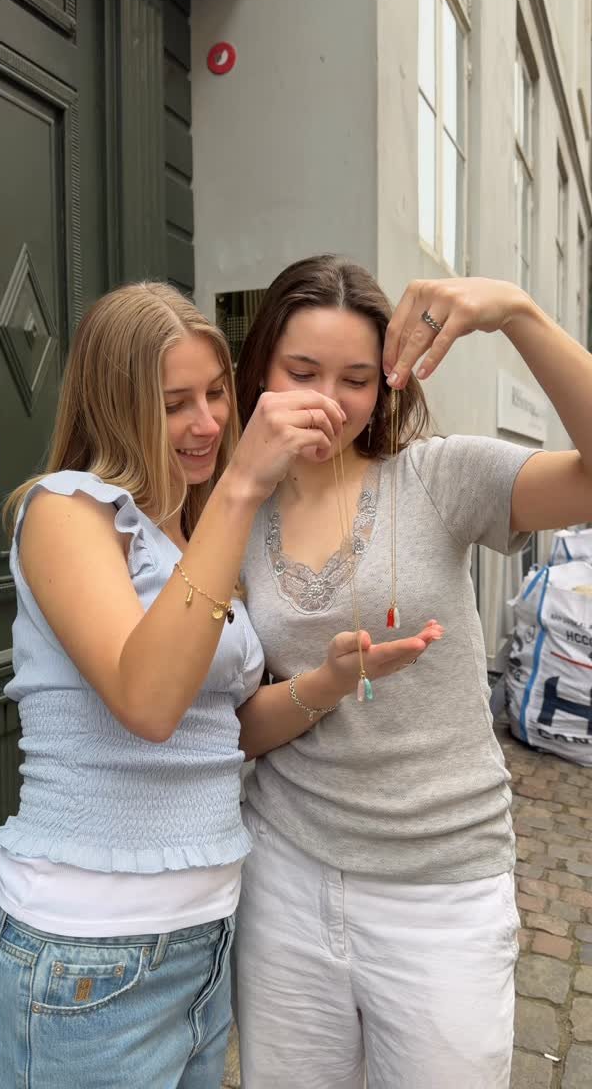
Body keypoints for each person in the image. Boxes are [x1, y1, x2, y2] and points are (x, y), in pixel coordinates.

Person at [0, 280, 364, 1089]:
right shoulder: (66, 511)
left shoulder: (190, 534)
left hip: (201, 947)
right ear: (115, 407)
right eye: (174, 403)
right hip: (81, 961)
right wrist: (243, 487)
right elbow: (147, 702)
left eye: (216, 393)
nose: (208, 422)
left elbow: (221, 732)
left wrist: (329, 680)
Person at [232, 255, 592, 1089]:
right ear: (260, 370)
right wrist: (321, 688)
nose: (330, 400)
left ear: (388, 381)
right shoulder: (233, 507)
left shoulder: (435, 476)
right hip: (286, 872)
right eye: (302, 372)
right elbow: (235, 721)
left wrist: (517, 313)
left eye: (357, 379)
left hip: (441, 887)